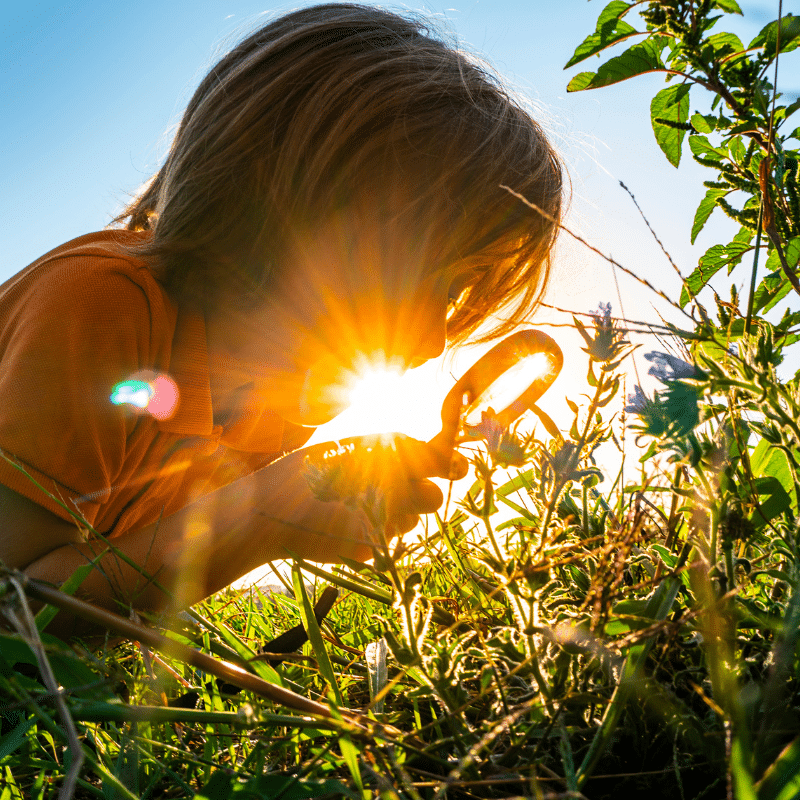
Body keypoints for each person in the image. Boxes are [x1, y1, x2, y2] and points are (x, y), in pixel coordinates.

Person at [0, 3, 562, 638]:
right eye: (422, 277)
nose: (434, 341)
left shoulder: (277, 405)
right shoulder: (101, 309)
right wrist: (257, 519)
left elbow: (122, 590)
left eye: (457, 296)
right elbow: (11, 605)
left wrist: (297, 514)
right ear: (280, 205)